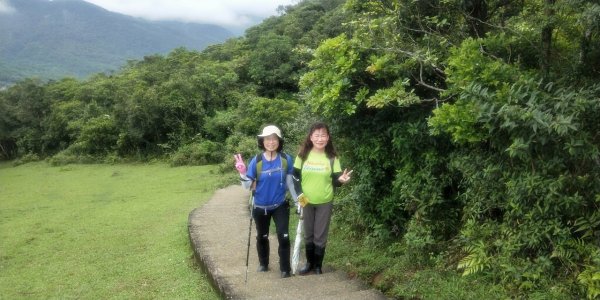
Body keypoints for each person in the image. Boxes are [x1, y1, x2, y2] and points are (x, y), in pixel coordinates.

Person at [234, 125, 298, 278]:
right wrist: (243, 172)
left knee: (284, 236)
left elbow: (291, 183)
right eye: (267, 139)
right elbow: (247, 186)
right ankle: (263, 263)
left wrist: (298, 202)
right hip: (260, 206)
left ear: (279, 141)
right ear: (262, 141)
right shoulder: (256, 161)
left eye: (274, 139)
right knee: (262, 236)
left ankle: (285, 269)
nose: (271, 142)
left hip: (280, 205)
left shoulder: (285, 159)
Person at [293, 122, 352, 275]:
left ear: (328, 137)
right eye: (317, 135)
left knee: (320, 235)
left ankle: (318, 265)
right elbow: (295, 177)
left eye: (323, 135)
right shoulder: (302, 154)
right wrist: (300, 196)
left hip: (325, 201)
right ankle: (309, 264)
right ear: (311, 137)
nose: (320, 139)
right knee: (309, 233)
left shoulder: (332, 157)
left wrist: (341, 180)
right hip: (305, 199)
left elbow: (335, 180)